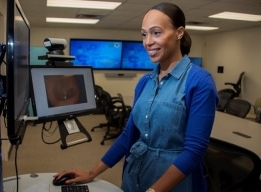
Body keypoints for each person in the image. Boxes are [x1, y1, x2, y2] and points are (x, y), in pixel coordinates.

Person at [54, 2, 218, 192]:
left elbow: (194, 152)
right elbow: (127, 135)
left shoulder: (199, 81)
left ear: (179, 32)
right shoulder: (144, 82)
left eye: (156, 33)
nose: (148, 42)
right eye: (144, 34)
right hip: (135, 176)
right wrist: (92, 173)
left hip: (174, 183)